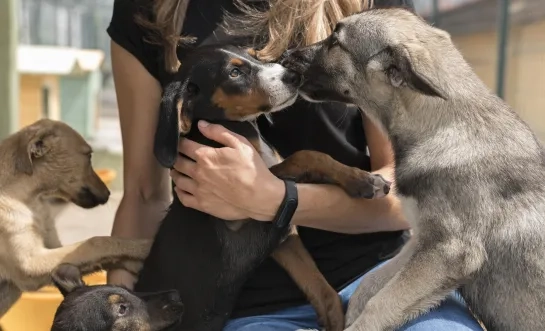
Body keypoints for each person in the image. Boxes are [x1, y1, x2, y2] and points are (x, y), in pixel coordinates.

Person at [106, 0, 484, 330]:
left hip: (380, 279)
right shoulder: (148, 11)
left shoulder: (369, 8)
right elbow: (143, 196)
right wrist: (116, 311)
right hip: (247, 309)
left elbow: (409, 192)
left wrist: (277, 199)